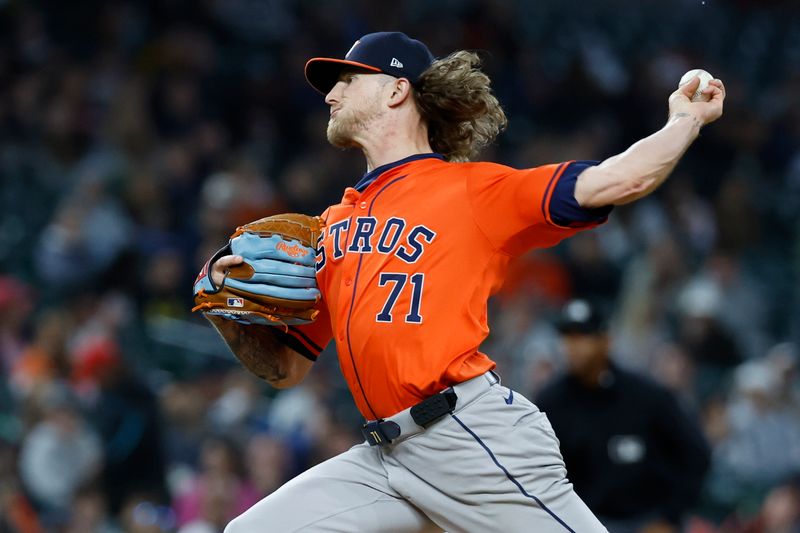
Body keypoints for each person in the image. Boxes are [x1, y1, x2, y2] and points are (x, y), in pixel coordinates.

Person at [198, 31, 724, 532]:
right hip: (385, 459)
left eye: (347, 79)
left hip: (467, 436)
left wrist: (684, 120)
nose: (332, 93)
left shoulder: (472, 192)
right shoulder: (334, 224)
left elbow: (620, 177)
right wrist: (226, 309)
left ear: (396, 89)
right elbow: (287, 368)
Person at [535, 299, 711, 532]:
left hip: (645, 521)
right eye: (567, 336)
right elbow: (538, 471)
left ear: (606, 340)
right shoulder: (551, 402)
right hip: (583, 523)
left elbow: (696, 453)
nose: (573, 346)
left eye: (582, 336)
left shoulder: (646, 396)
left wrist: (670, 516)